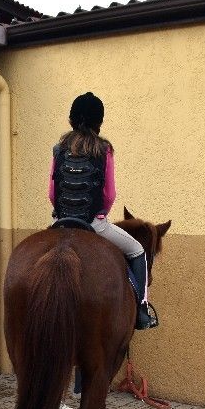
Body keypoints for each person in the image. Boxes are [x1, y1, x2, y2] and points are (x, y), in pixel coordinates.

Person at [48, 92, 156, 330]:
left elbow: (51, 193)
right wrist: (100, 215)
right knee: (138, 252)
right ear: (100, 123)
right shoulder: (104, 149)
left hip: (61, 223)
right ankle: (141, 312)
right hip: (93, 225)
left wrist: (60, 213)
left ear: (71, 120)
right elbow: (109, 194)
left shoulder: (59, 149)